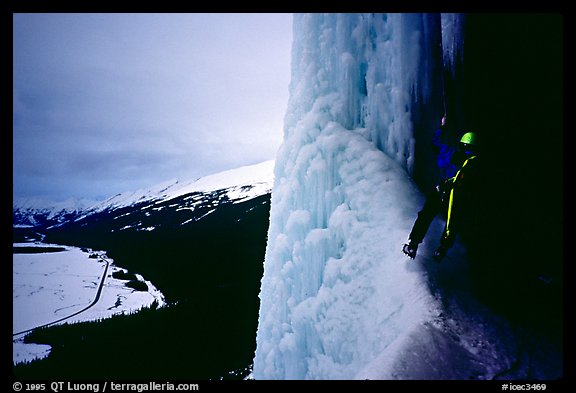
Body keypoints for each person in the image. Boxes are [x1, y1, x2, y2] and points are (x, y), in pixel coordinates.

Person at [402, 120, 480, 261]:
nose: (467, 151)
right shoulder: (472, 164)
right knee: (451, 222)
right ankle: (440, 249)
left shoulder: (450, 154)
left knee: (426, 216)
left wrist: (442, 127)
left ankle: (414, 244)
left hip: (442, 191)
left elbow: (435, 143)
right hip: (453, 195)